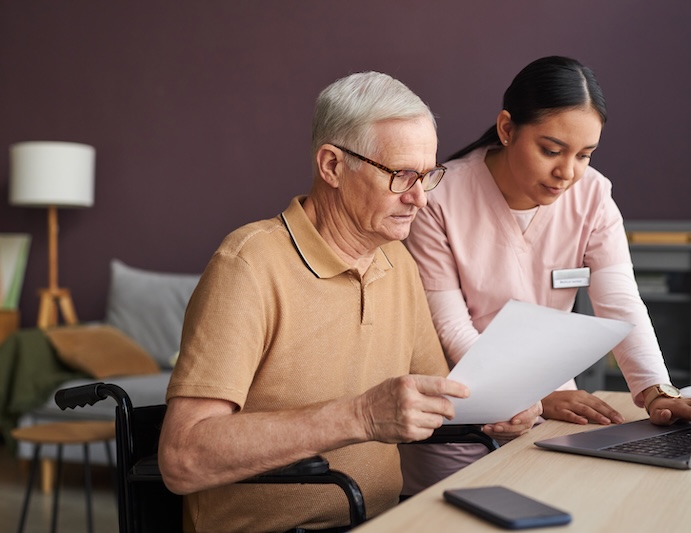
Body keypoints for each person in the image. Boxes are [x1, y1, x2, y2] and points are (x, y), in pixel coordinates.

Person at [158, 71, 541, 533]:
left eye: (427, 175)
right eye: (402, 176)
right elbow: (183, 458)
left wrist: (501, 406)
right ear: (333, 166)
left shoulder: (397, 262)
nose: (420, 198)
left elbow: (439, 397)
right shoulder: (248, 264)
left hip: (383, 520)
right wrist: (359, 416)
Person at [400, 56, 691, 494]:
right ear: (507, 129)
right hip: (462, 420)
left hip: (558, 420)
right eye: (551, 150)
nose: (568, 173)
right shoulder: (440, 196)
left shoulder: (593, 195)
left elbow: (620, 303)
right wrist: (534, 396)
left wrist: (657, 390)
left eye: (584, 155)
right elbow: (451, 326)